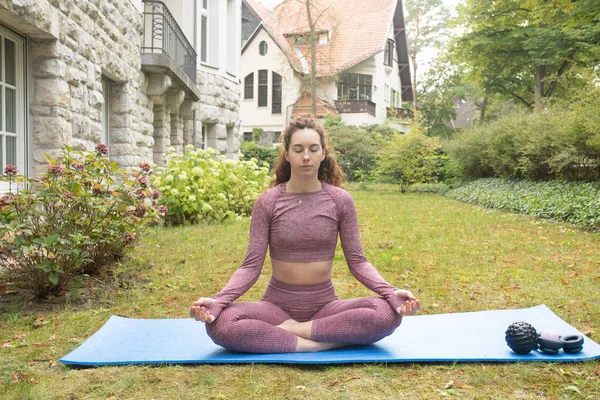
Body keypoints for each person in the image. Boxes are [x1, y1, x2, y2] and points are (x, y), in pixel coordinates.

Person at [190, 116, 420, 353]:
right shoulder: (268, 202)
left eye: (313, 149)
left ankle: (294, 331)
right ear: (287, 154)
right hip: (276, 307)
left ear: (323, 153)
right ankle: (319, 343)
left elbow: (358, 261)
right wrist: (218, 301)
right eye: (298, 149)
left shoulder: (340, 201)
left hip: (325, 306)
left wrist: (391, 293)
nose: (306, 156)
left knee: (385, 315)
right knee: (221, 325)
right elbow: (250, 267)